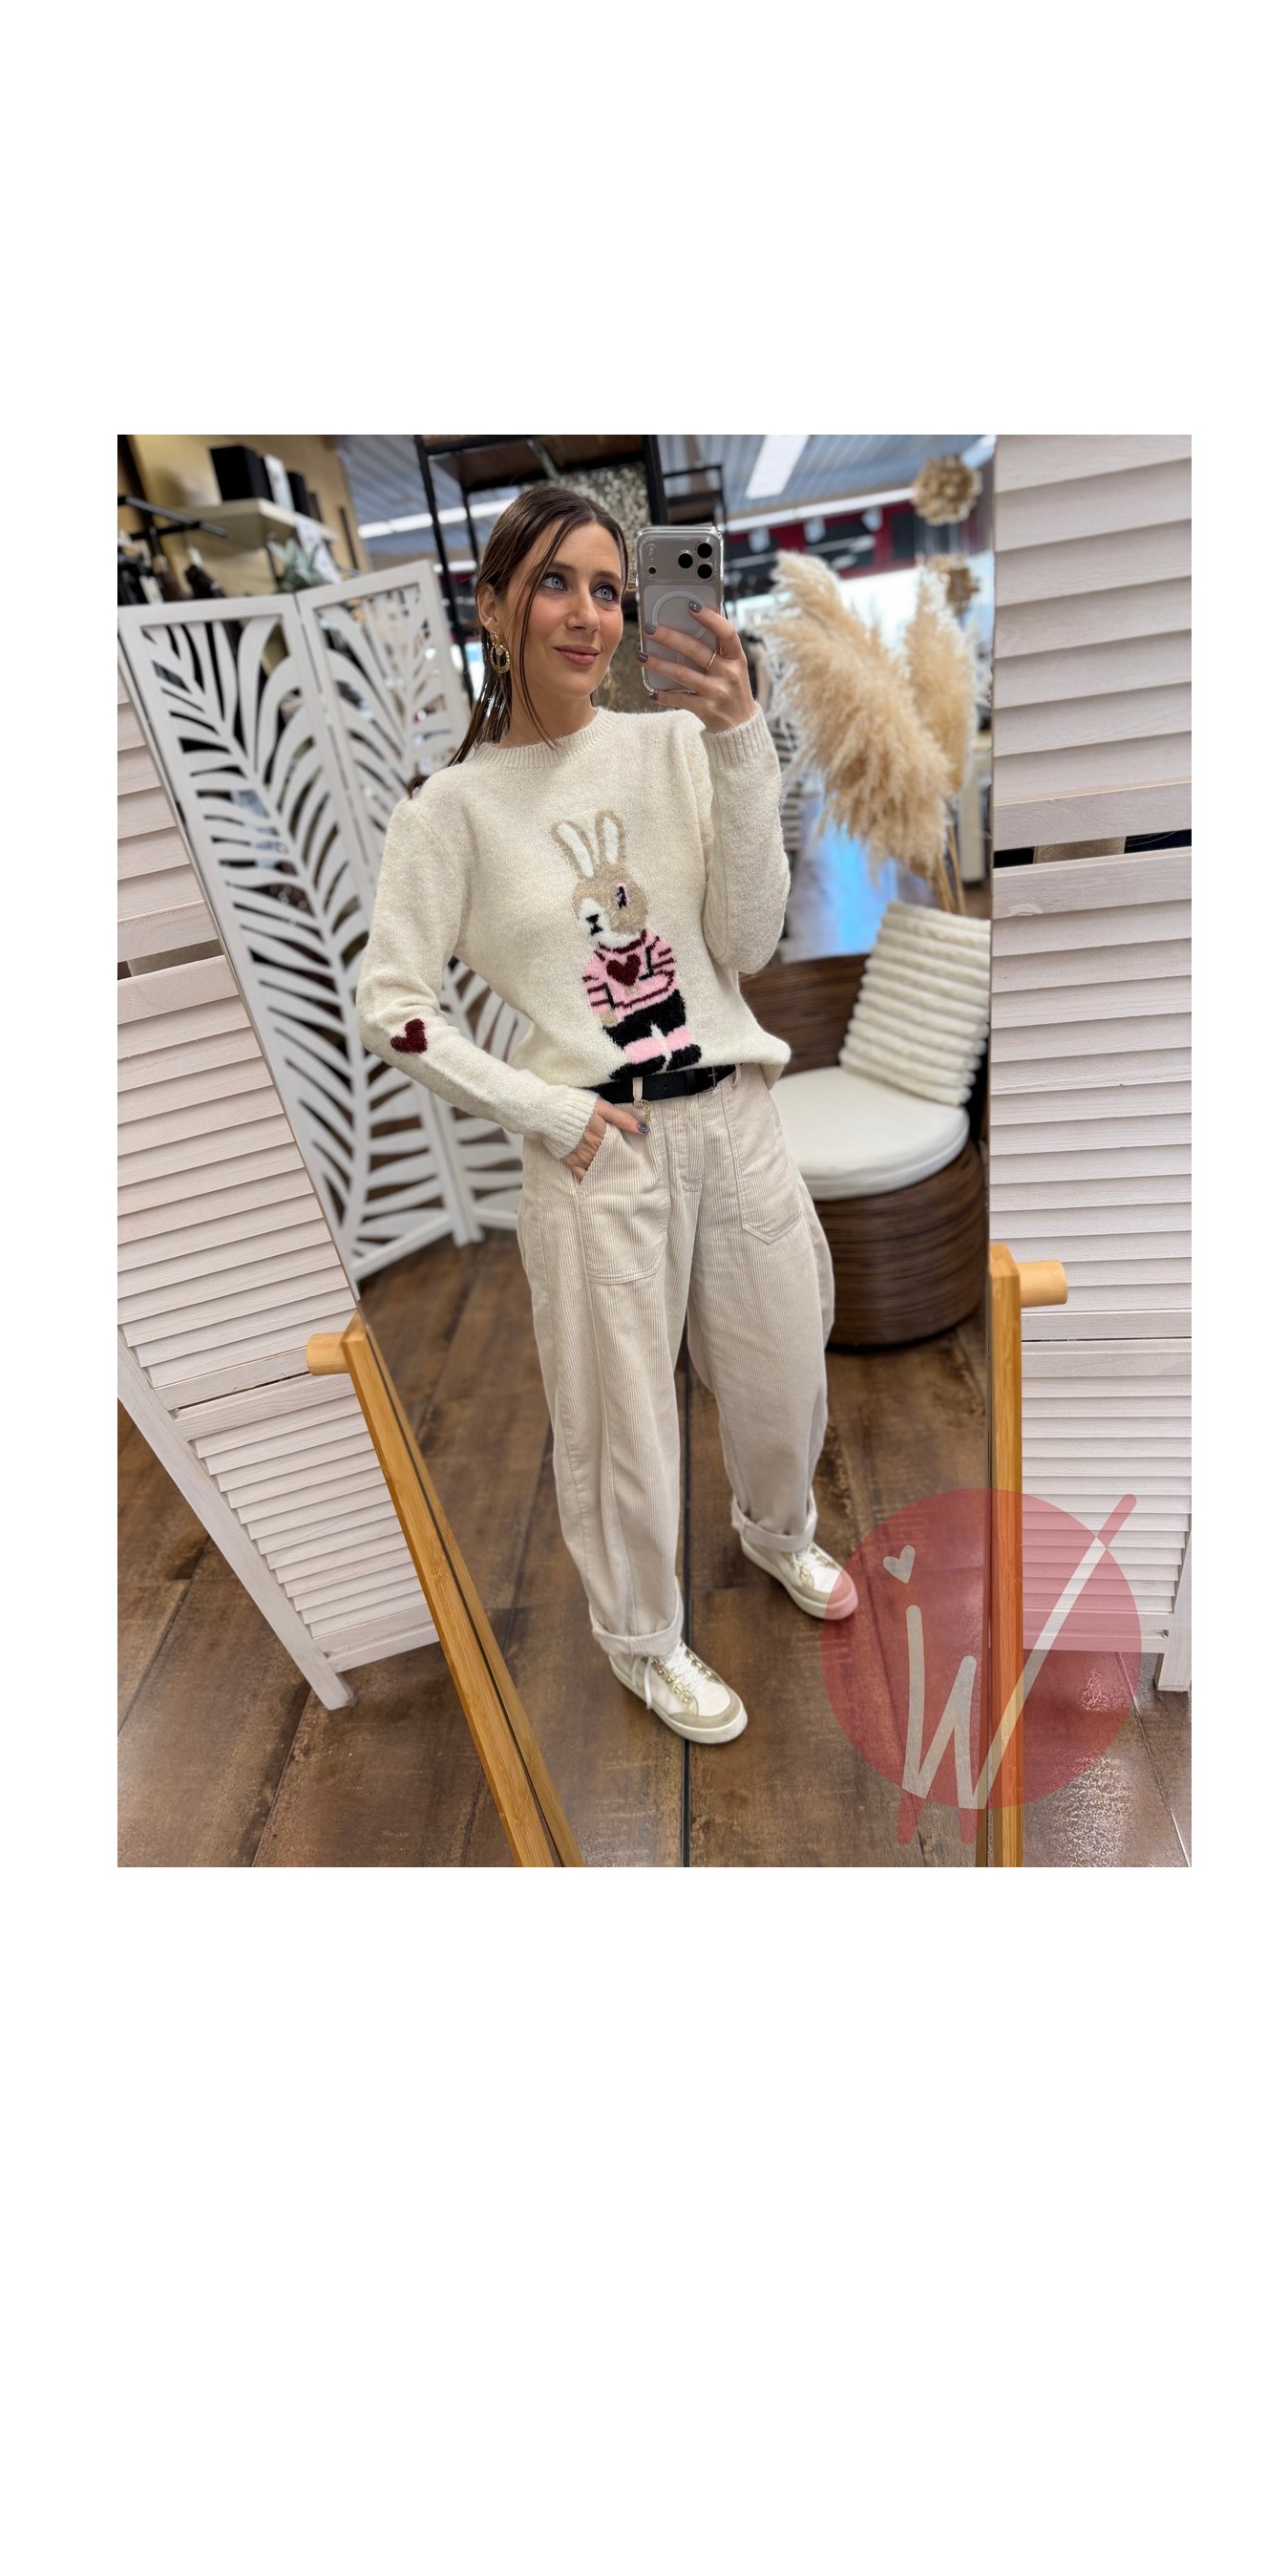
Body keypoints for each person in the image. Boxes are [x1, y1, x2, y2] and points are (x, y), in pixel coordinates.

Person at [353, 483, 857, 1748]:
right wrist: (543, 1109)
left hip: (734, 1114)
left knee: (784, 1362)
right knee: (618, 1417)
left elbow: (747, 938)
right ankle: (641, 1638)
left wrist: (741, 740)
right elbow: (392, 1006)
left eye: (610, 590)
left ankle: (778, 1529)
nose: (589, 614)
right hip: (599, 1149)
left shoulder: (681, 745)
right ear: (492, 605)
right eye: (555, 583)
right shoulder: (450, 814)